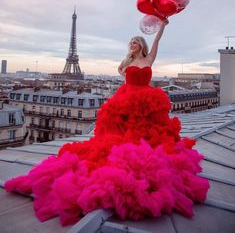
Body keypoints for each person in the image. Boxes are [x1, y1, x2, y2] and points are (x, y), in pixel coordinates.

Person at [5, 20, 209, 226]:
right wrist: (127, 62)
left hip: (146, 100)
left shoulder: (148, 59)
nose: (131, 45)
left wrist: (162, 25)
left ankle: (141, 155)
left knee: (146, 134)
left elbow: (157, 40)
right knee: (123, 133)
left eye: (134, 42)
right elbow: (122, 73)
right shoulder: (127, 63)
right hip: (127, 98)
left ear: (141, 44)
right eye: (130, 43)